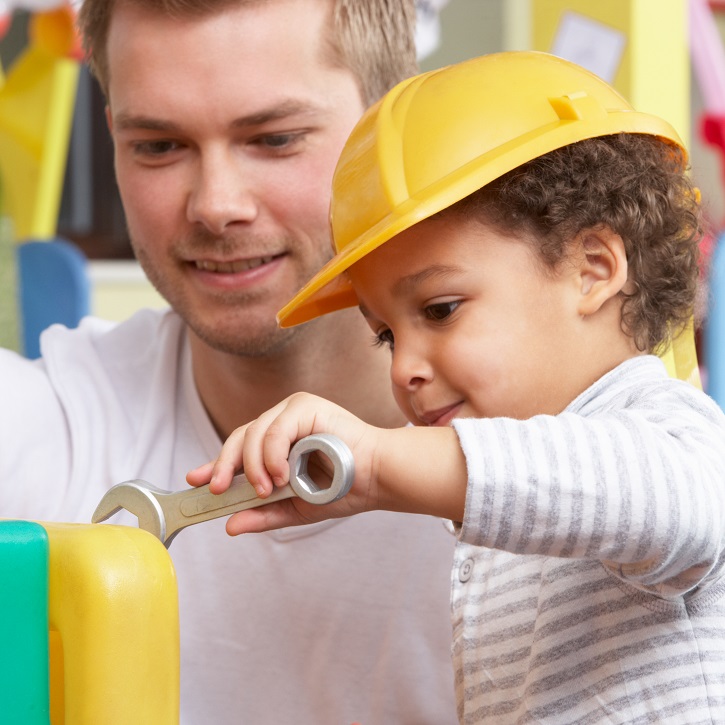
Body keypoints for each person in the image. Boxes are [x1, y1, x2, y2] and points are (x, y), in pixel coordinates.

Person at [192, 52, 725, 723]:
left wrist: (381, 462)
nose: (403, 367)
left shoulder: (667, 431)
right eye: (386, 333)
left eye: (440, 308)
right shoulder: (504, 533)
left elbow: (671, 500)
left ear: (592, 268)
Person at [1, 0, 460, 722]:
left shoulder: (584, 443)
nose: (216, 206)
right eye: (157, 146)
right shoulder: (50, 417)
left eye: (273, 139)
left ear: (391, 127)